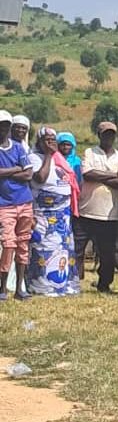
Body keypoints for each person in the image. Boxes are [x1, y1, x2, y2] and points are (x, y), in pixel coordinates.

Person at [74, 121, 118, 293]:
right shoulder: (90, 152)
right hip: (86, 211)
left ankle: (104, 284)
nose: (109, 137)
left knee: (107, 254)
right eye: (105, 134)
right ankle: (73, 282)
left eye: (111, 134)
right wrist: (112, 175)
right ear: (99, 135)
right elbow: (87, 174)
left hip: (109, 214)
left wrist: (100, 176)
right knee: (77, 250)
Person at [27, 126, 80, 297]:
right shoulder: (34, 157)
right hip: (44, 213)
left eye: (53, 140)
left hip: (62, 214)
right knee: (44, 248)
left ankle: (63, 285)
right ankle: (42, 286)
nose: (51, 143)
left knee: (63, 249)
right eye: (46, 140)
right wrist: (49, 155)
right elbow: (40, 178)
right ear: (39, 142)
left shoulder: (60, 159)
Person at [0, 110, 34, 300]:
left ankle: (20, 288)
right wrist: (15, 169)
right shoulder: (17, 152)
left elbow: (28, 174)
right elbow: (22, 171)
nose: (3, 128)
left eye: (6, 125)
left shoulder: (19, 147)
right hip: (4, 204)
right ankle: (3, 288)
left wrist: (5, 172)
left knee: (23, 243)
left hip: (24, 201)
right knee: (8, 244)